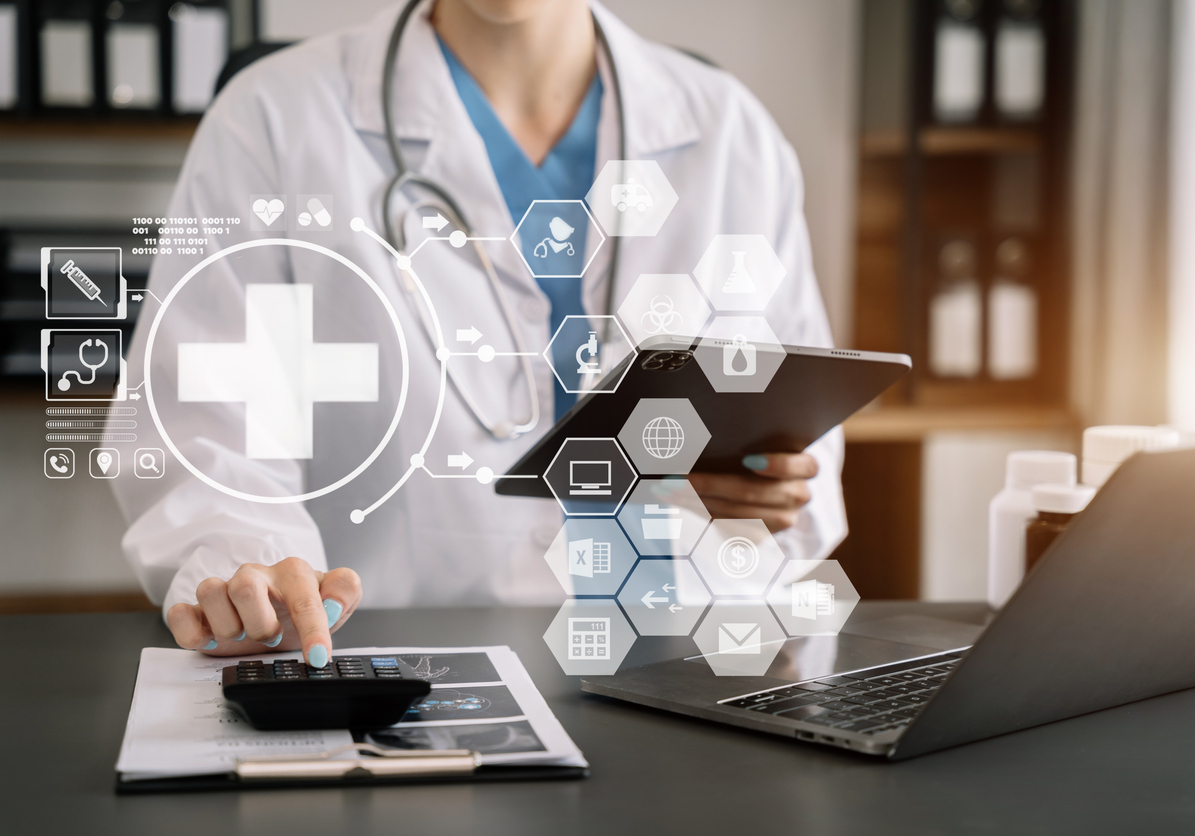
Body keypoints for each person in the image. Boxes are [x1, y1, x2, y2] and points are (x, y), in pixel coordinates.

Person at [112, 0, 848, 669]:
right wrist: (258, 571)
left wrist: (769, 491)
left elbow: (800, 443)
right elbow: (208, 438)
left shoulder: (732, 135)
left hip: (681, 664)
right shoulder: (275, 119)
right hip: (388, 670)